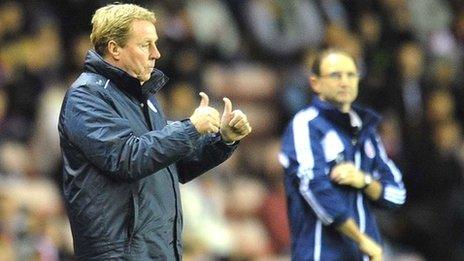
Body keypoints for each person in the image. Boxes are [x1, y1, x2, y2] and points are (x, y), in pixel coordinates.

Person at [58, 3, 252, 260]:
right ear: (114, 48)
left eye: (155, 43)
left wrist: (223, 140)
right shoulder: (86, 97)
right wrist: (191, 127)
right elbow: (127, 158)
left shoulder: (143, 97)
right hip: (121, 254)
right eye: (144, 45)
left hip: (158, 250)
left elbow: (172, 166)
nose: (156, 53)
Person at [279, 49, 406, 261]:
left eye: (351, 75)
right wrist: (362, 239)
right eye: (336, 75)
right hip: (321, 254)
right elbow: (314, 187)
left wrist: (364, 181)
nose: (345, 82)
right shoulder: (306, 125)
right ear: (315, 83)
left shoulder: (367, 133)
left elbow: (397, 194)